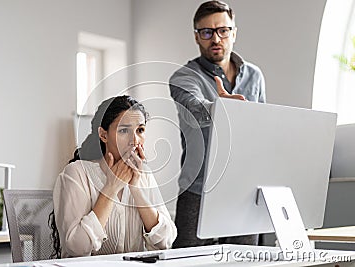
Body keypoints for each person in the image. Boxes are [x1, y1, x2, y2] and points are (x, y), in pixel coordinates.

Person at [169, 0, 266, 248]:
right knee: (187, 263)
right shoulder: (183, 77)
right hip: (198, 189)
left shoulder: (254, 76)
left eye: (223, 30)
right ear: (196, 37)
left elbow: (263, 127)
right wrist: (221, 108)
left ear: (234, 32)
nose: (216, 38)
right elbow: (195, 107)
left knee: (245, 262)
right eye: (207, 32)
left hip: (245, 190)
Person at [50, 95, 177, 258]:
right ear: (103, 135)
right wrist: (111, 188)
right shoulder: (76, 173)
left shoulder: (144, 176)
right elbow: (78, 248)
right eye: (124, 130)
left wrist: (136, 189)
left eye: (140, 130)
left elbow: (165, 242)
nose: (135, 140)